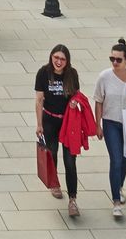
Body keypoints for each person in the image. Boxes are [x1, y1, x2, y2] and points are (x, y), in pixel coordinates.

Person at [94, 38, 126, 219]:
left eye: (118, 60)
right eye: (112, 59)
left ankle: (119, 185)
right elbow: (99, 100)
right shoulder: (104, 77)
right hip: (110, 123)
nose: (115, 63)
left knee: (124, 160)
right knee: (115, 160)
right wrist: (97, 124)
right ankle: (116, 201)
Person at [34, 44, 84, 218]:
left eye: (62, 59)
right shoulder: (43, 73)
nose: (59, 62)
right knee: (52, 153)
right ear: (51, 57)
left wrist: (74, 102)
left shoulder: (72, 74)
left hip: (68, 123)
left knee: (70, 162)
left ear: (67, 61)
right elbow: (39, 100)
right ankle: (54, 183)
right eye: (56, 57)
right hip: (49, 120)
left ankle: (72, 200)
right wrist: (39, 124)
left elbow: (77, 95)